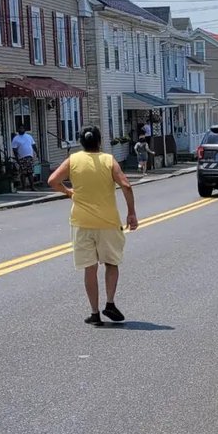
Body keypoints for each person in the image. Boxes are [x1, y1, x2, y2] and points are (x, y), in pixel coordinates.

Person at [47, 125, 139, 327]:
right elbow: (126, 185)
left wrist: (69, 192)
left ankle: (94, 312)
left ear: (81, 142)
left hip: (81, 223)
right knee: (111, 263)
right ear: (99, 142)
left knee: (89, 268)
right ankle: (110, 303)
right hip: (108, 222)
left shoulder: (73, 161)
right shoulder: (108, 160)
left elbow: (53, 180)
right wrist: (131, 213)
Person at [11, 120, 37, 188]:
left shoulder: (29, 136)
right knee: (23, 173)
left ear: (24, 129)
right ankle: (24, 187)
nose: (21, 129)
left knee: (30, 172)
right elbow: (14, 150)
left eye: (22, 128)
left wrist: (37, 152)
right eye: (20, 128)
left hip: (29, 156)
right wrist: (17, 159)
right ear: (18, 129)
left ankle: (32, 187)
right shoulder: (16, 139)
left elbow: (33, 145)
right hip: (21, 157)